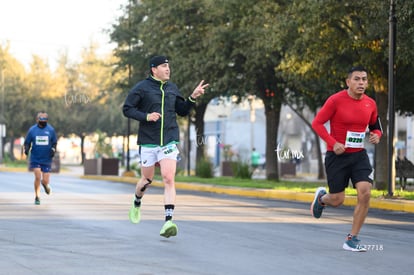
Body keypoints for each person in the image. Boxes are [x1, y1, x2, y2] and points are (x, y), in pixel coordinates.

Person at [122, 55, 208, 238]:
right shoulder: (142, 88)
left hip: (169, 140)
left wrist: (192, 97)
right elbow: (127, 109)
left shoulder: (172, 88)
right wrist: (146, 116)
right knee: (147, 180)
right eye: (164, 66)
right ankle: (137, 202)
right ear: (154, 69)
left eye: (168, 66)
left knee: (169, 178)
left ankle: (168, 221)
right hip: (148, 141)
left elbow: (182, 111)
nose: (168, 69)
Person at [311, 66, 382, 252]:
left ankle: (352, 238)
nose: (361, 83)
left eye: (364, 79)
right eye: (357, 79)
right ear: (348, 82)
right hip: (337, 156)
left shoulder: (370, 104)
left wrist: (376, 135)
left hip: (359, 155)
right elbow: (317, 123)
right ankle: (321, 199)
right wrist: (332, 142)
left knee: (365, 192)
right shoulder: (335, 100)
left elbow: (376, 125)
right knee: (337, 200)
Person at [24, 111, 58, 205]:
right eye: (41, 119)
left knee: (45, 180)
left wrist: (53, 149)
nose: (43, 120)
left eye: (45, 119)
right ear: (37, 119)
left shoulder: (50, 130)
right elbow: (27, 142)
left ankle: (46, 185)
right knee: (38, 177)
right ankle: (37, 196)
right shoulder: (32, 130)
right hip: (36, 157)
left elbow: (54, 142)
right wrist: (26, 149)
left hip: (47, 158)